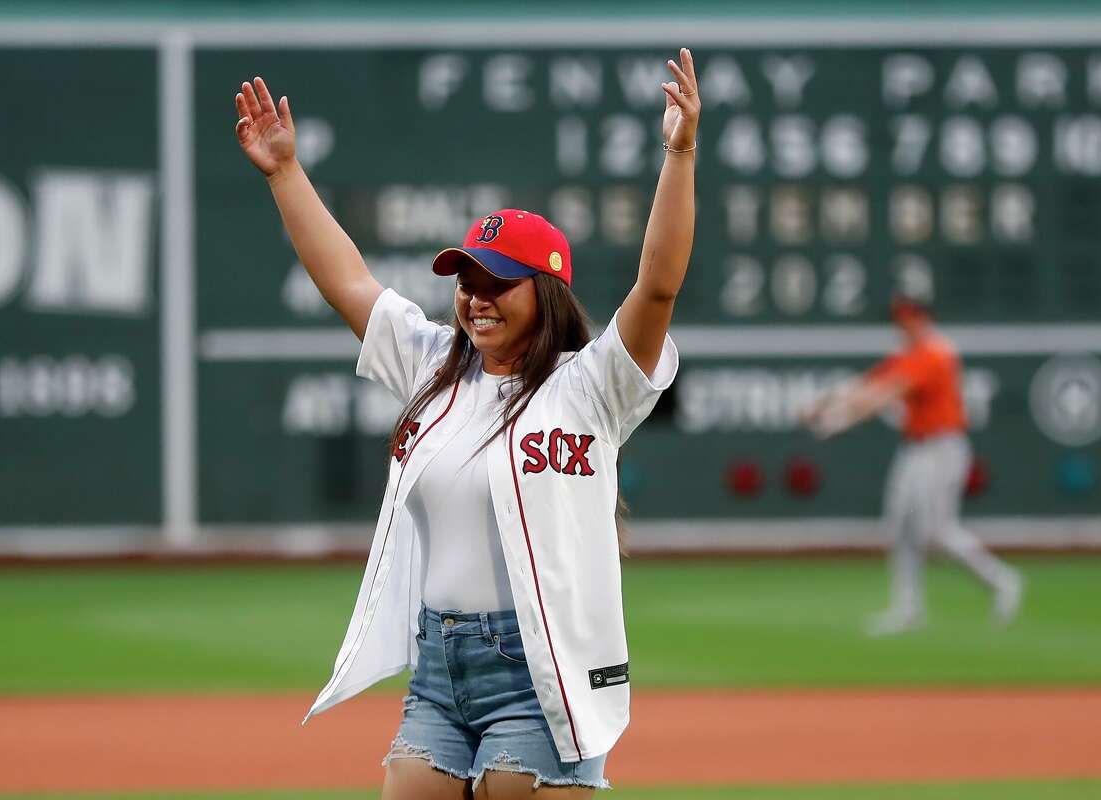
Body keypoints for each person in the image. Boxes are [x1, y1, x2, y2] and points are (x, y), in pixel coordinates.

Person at [234, 48, 700, 799]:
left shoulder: (591, 387)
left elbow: (659, 284)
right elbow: (348, 278)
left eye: (496, 282)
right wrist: (285, 172)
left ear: (544, 292)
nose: (475, 296)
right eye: (466, 280)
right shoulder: (432, 369)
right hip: (439, 666)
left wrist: (678, 153)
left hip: (539, 671)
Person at [804, 294, 1022, 636]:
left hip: (943, 447)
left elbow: (883, 395)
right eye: (899, 318)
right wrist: (823, 406)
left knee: (937, 532)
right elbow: (865, 385)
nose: (901, 324)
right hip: (916, 449)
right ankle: (908, 608)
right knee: (900, 527)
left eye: (907, 317)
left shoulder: (935, 352)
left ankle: (1001, 580)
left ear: (923, 318)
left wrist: (835, 420)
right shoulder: (908, 355)